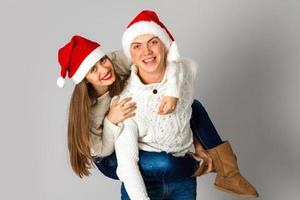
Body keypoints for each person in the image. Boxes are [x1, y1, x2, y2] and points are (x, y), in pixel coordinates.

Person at [114, 10, 259, 199]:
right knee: (163, 162)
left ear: (165, 46)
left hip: (183, 181)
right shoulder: (126, 98)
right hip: (145, 180)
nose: (146, 52)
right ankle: (209, 167)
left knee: (196, 106)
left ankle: (229, 173)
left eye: (153, 42)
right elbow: (127, 163)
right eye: (137, 46)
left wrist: (198, 144)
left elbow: (187, 112)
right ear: (130, 55)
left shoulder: (184, 76)